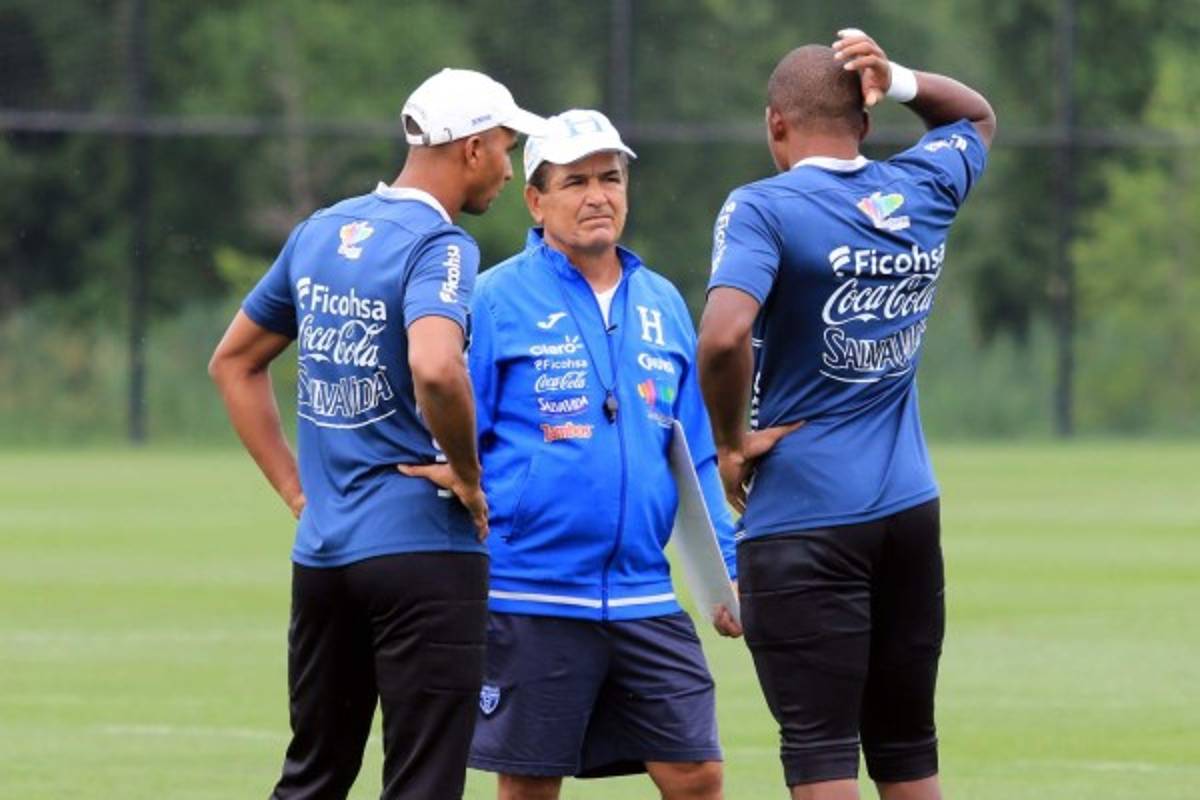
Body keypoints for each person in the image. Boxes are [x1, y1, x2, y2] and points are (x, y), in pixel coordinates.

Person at [207, 68, 543, 800]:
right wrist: (466, 473)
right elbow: (435, 365)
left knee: (313, 779)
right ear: (472, 147)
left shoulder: (321, 231)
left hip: (323, 558)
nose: (510, 169)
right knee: (421, 784)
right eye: (506, 148)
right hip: (423, 555)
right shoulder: (442, 246)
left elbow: (233, 362)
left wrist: (299, 493)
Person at [697, 29, 996, 800]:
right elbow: (976, 118)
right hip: (908, 510)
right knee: (908, 750)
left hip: (803, 517)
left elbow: (725, 335)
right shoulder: (922, 187)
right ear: (865, 121)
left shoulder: (762, 208)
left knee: (821, 752)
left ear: (775, 125)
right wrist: (897, 77)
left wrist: (730, 443)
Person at [439, 108, 745, 800]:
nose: (597, 195)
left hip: (644, 593)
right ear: (536, 200)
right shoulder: (492, 299)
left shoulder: (662, 301)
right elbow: (457, 445)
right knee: (530, 784)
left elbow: (694, 454)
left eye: (610, 178)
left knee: (696, 772)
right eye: (575, 182)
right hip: (532, 591)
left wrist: (726, 574)